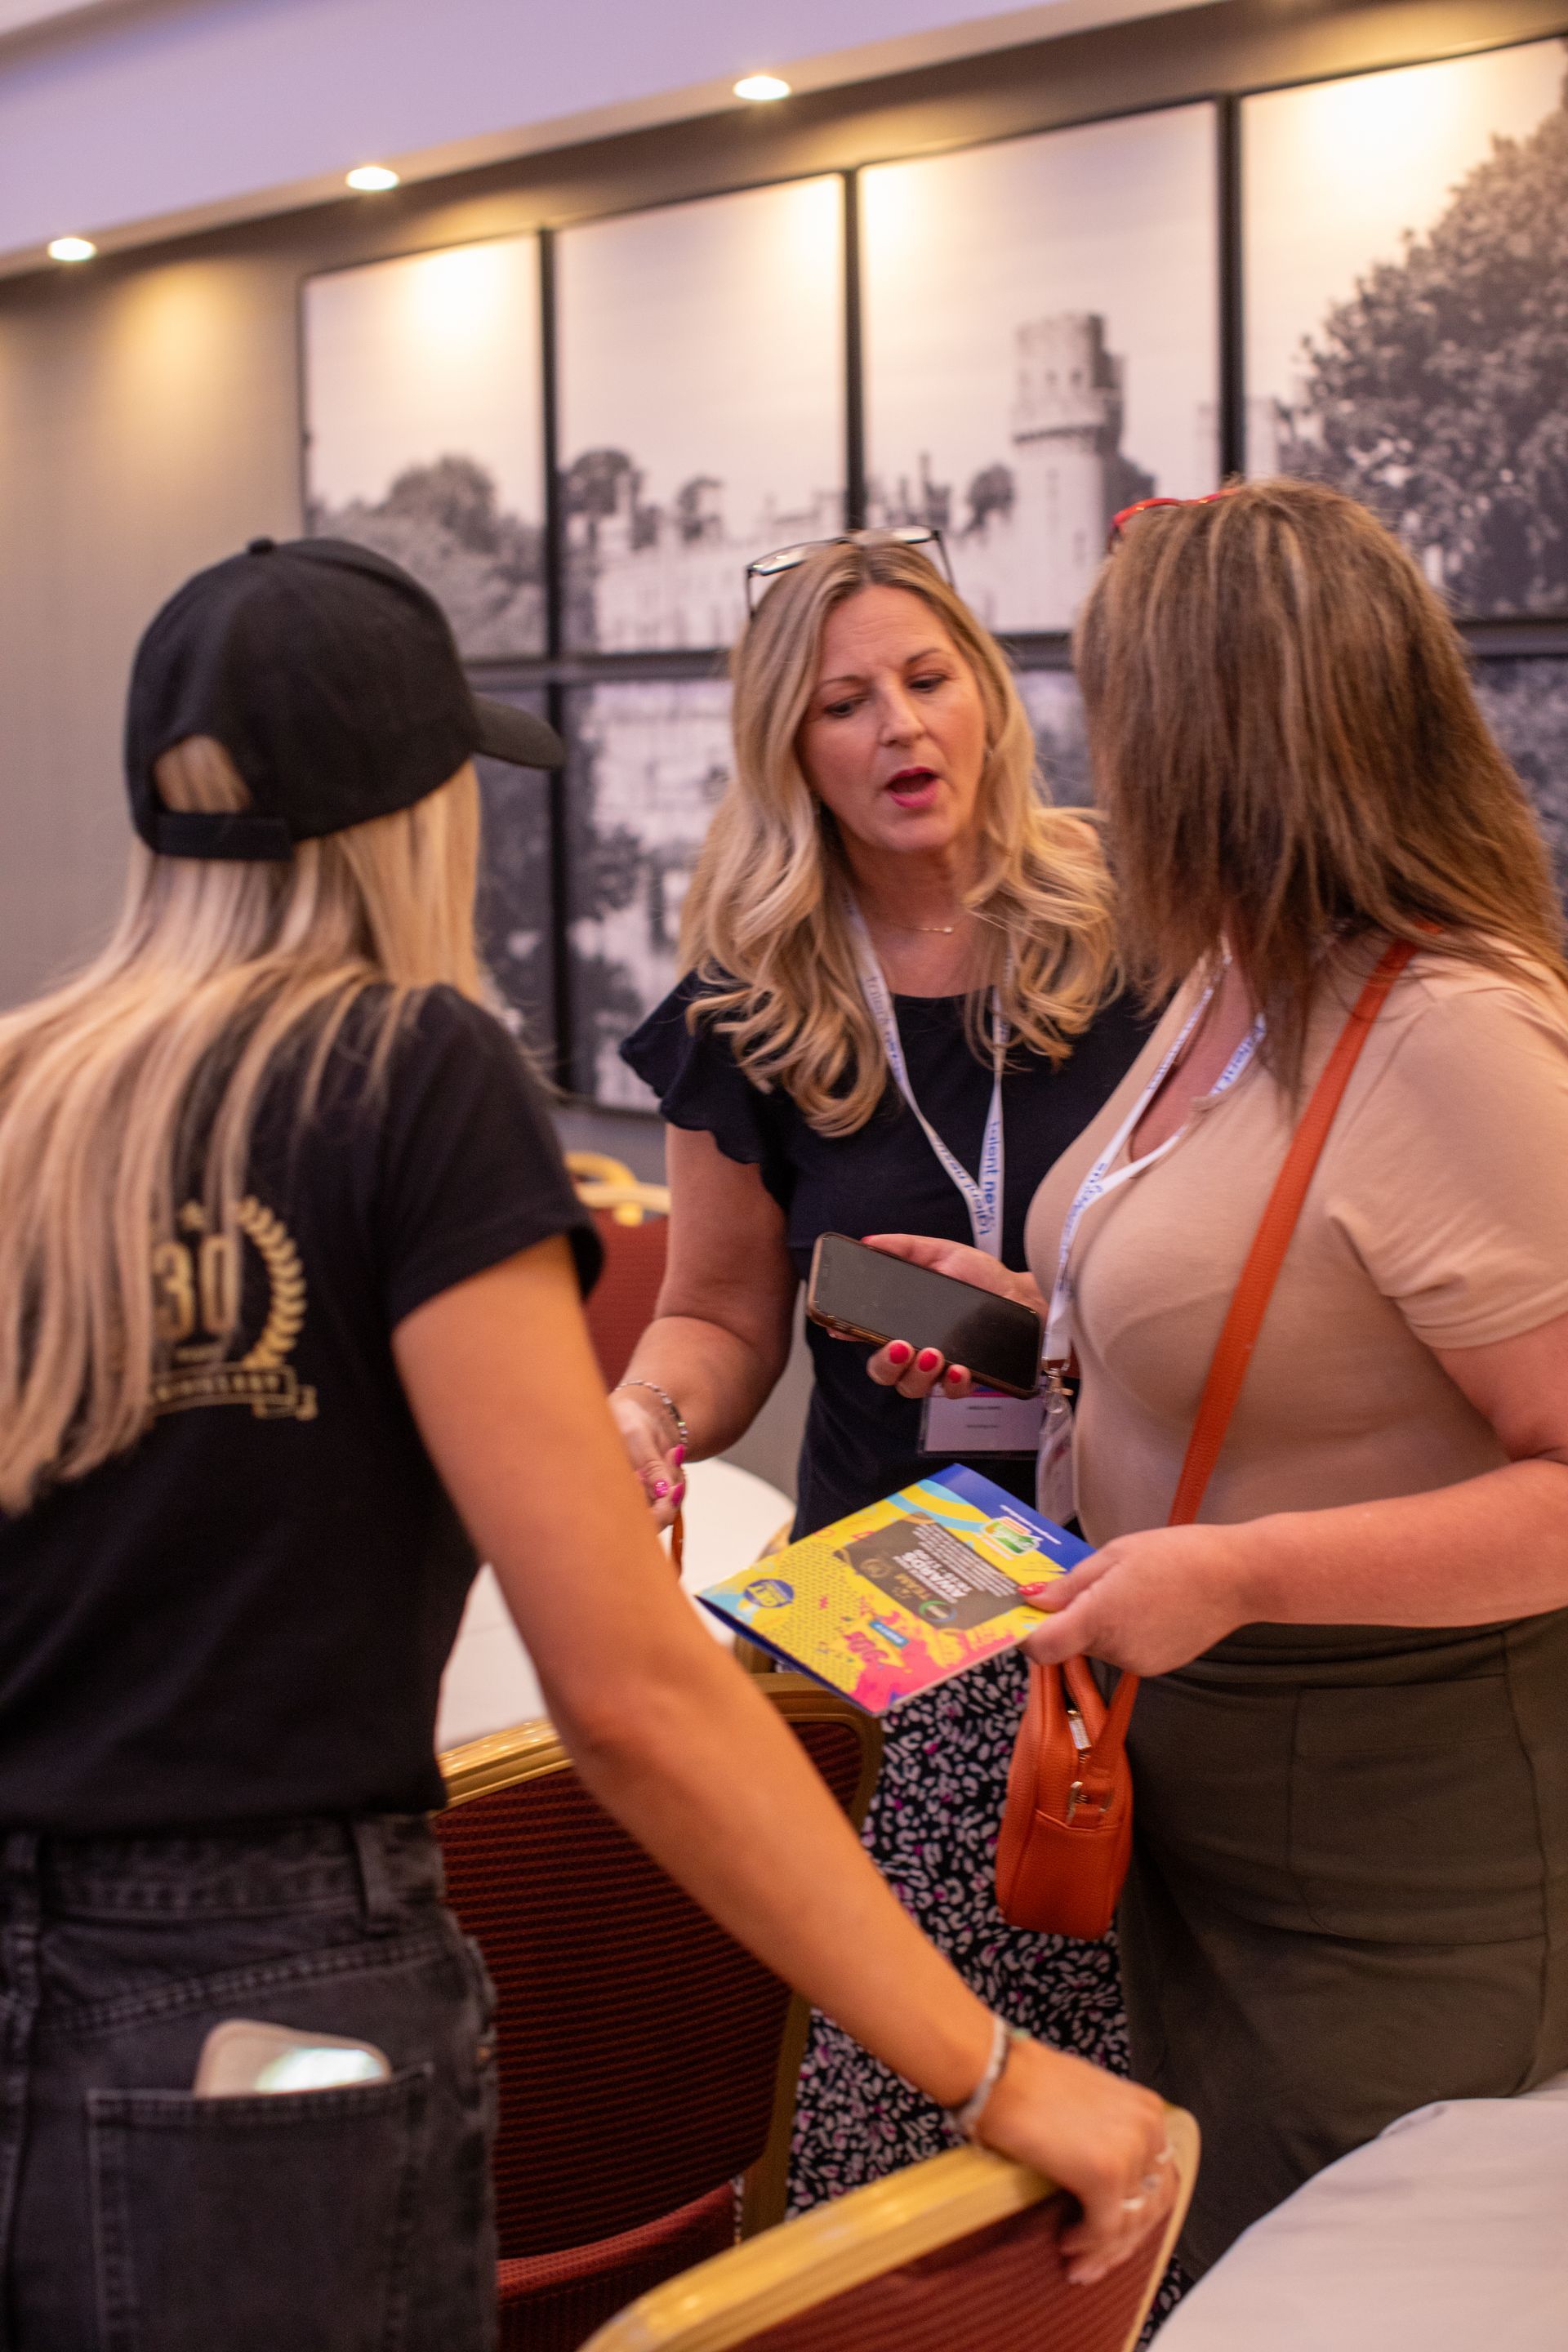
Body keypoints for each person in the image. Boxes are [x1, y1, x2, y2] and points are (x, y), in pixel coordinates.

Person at [0, 537, 1174, 2350]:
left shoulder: (26, 1093)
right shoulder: (406, 1075)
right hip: (276, 1994)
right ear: (414, 812)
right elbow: (629, 1693)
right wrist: (994, 2076)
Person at [860, 479, 1568, 2274]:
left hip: (1395, 1852)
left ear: (1215, 735)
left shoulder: (1450, 1031)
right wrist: (1029, 1320)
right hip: (1202, 1791)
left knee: (1356, 2278)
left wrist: (1241, 1572)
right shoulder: (1236, 974)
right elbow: (1283, 1303)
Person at [614, 532, 1155, 2204]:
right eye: (845, 703)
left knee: (1132, 2047)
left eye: (927, 681)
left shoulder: (1147, 925)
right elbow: (714, 1312)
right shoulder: (754, 996)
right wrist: (650, 1413)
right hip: (891, 1598)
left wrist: (1044, 1318)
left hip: (1141, 1571)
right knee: (898, 2094)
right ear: (794, 749)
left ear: (986, 695)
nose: (899, 729)